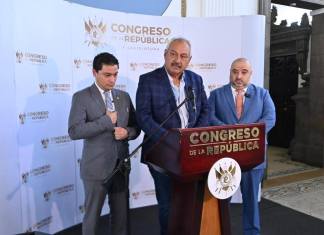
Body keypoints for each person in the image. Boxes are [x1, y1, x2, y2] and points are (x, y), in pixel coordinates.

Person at [135, 37, 209, 235]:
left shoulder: (195, 80)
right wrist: (170, 140)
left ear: (189, 59)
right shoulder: (148, 80)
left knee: (189, 203)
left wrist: (193, 137)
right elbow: (143, 116)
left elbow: (206, 110)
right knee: (168, 203)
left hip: (191, 152)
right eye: (173, 54)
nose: (178, 60)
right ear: (165, 55)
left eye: (183, 56)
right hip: (161, 153)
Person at [68, 52, 140, 235]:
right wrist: (106, 122)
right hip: (95, 169)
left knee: (121, 218)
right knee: (92, 218)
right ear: (94, 72)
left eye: (115, 74)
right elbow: (74, 131)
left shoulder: (123, 96)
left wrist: (127, 133)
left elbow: (136, 127)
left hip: (121, 167)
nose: (112, 79)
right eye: (107, 75)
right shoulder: (81, 97)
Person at [208, 57, 276, 235]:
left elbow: (269, 119)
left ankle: (252, 232)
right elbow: (209, 117)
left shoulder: (263, 94)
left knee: (252, 201)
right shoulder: (216, 94)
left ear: (250, 74)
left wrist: (246, 134)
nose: (238, 76)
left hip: (254, 159)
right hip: (224, 158)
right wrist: (231, 132)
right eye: (234, 71)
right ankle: (219, 231)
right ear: (229, 72)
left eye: (243, 72)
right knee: (221, 201)